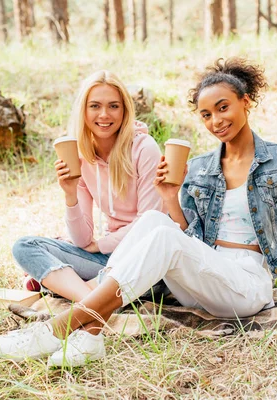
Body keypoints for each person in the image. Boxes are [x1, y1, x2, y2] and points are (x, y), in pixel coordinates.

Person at [0, 58, 277, 367]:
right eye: (206, 114)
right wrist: (171, 198)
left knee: (156, 228)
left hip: (245, 285)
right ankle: (90, 331)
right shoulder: (200, 167)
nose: (216, 120)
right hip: (200, 274)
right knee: (154, 221)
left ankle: (61, 329)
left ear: (245, 101)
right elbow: (185, 235)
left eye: (223, 107)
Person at [10, 70, 164, 304]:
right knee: (24, 247)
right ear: (84, 110)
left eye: (113, 106)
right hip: (107, 258)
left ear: (124, 111)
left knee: (150, 279)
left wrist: (99, 245)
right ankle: (92, 302)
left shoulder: (144, 149)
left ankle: (69, 288)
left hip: (146, 256)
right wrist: (70, 194)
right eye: (95, 106)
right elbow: (82, 240)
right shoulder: (81, 156)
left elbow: (149, 223)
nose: (104, 114)